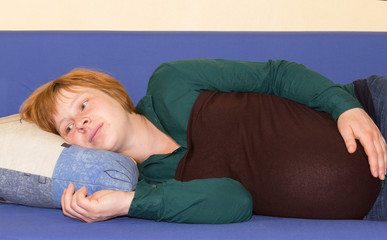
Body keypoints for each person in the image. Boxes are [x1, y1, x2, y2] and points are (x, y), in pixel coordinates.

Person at [20, 59, 387, 223]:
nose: (80, 122)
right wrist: (128, 203)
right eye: (67, 128)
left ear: (112, 93)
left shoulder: (171, 82)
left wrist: (346, 108)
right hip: (376, 206)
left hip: (373, 109)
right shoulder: (152, 185)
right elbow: (235, 202)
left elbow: (276, 76)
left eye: (83, 103)